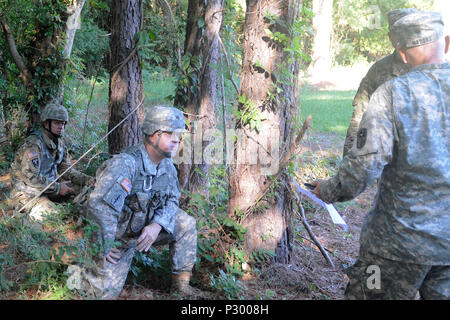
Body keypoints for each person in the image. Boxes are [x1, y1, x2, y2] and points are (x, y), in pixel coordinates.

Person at [310, 11, 450, 299]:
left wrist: (329, 189)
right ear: (446, 43)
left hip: (395, 246)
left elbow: (364, 167)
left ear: (402, 53)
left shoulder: (392, 94)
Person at [66, 105, 202, 299]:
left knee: (186, 223)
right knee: (100, 294)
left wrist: (157, 225)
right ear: (153, 134)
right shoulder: (126, 164)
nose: (176, 139)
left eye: (178, 135)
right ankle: (77, 261)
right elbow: (100, 208)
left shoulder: (167, 166)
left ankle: (181, 286)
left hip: (143, 229)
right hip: (117, 237)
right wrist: (103, 247)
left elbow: (172, 200)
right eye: (170, 133)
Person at [342, 8, 419, 157]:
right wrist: (348, 160)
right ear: (390, 36)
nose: (405, 37)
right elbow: (359, 119)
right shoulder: (379, 70)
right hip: (388, 160)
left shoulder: (435, 69)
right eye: (399, 31)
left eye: (410, 30)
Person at [10, 102, 93, 221]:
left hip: (49, 187)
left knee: (87, 195)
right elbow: (31, 176)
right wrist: (58, 188)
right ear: (46, 123)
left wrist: (86, 179)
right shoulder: (33, 145)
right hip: (27, 191)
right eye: (57, 123)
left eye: (63, 124)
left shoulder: (59, 143)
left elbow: (66, 170)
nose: (61, 127)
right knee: (55, 216)